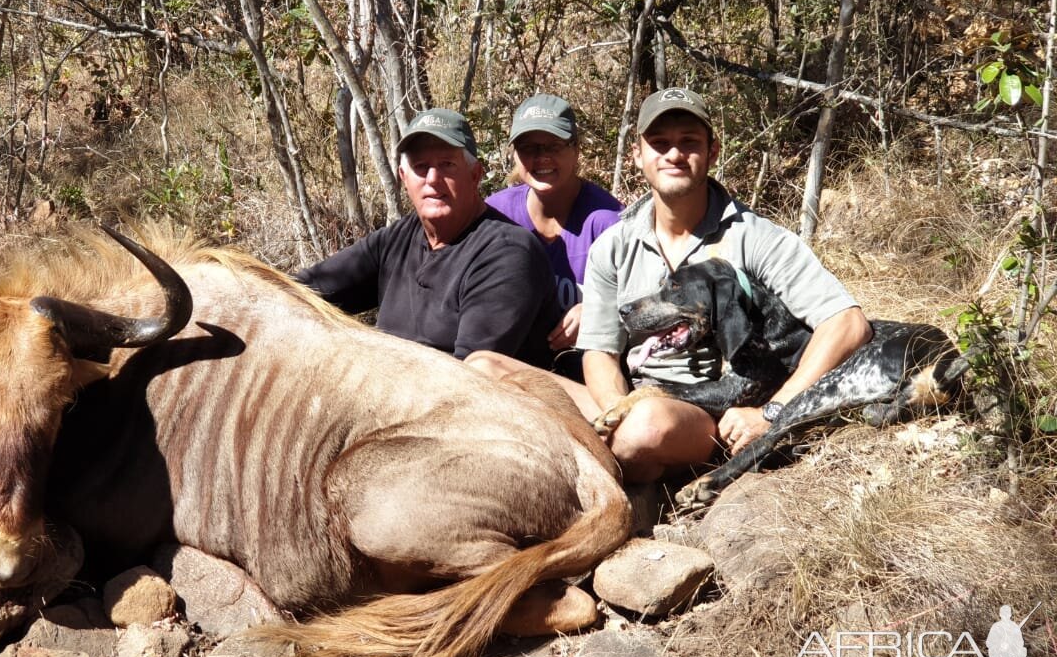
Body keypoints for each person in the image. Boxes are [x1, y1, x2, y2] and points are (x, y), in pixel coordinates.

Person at [576, 87, 873, 482]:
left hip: (702, 412)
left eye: (689, 143)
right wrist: (616, 408)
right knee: (491, 369)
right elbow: (599, 351)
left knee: (644, 427)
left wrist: (773, 411)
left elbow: (847, 323)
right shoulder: (612, 245)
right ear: (637, 155)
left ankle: (636, 486)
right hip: (631, 400)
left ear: (713, 152)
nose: (674, 154)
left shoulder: (756, 237)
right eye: (659, 143)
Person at [296, 108, 561, 369]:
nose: (433, 179)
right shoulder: (399, 238)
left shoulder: (508, 254)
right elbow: (307, 288)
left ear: (475, 175)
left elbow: (471, 380)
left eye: (447, 165)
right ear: (404, 178)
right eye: (421, 167)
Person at [485, 94, 622, 355]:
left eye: (554, 146)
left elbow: (642, 303)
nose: (542, 158)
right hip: (512, 362)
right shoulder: (495, 213)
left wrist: (599, 312)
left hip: (586, 367)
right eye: (529, 148)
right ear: (514, 154)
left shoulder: (608, 222)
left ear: (576, 149)